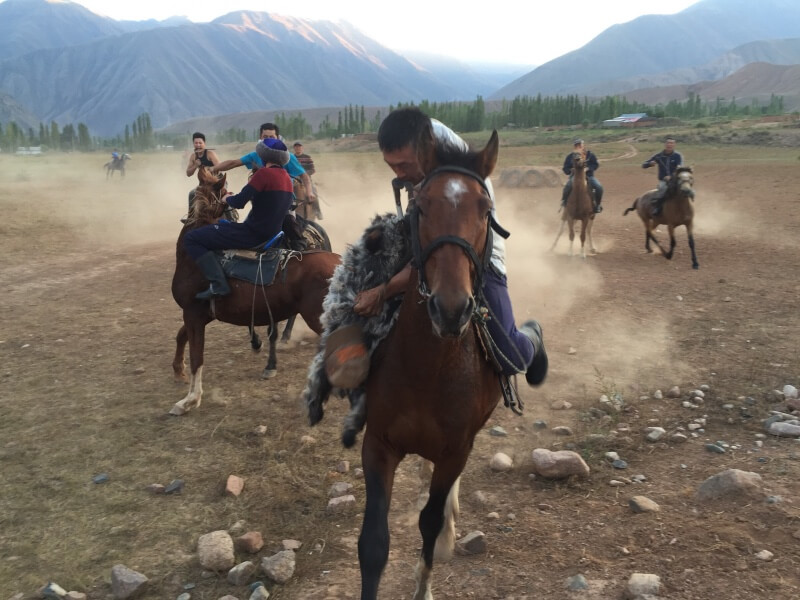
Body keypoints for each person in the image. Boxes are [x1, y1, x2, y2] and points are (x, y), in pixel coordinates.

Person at [325, 107, 548, 389]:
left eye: (404, 165)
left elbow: (435, 250)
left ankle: (531, 338)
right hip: (432, 229)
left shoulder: (449, 164)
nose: (398, 173)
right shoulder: (417, 148)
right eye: (391, 165)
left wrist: (383, 291)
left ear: (427, 151)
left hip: (474, 246)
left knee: (509, 357)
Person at [183, 138, 294, 300]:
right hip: (274, 234)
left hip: (252, 234)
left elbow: (239, 202)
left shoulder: (263, 174)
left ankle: (218, 284)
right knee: (223, 223)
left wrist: (226, 198)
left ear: (263, 156)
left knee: (192, 238)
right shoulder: (286, 177)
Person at [642, 137, 684, 216]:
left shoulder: (677, 156)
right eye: (668, 143)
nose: (669, 145)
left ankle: (690, 207)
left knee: (686, 188)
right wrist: (650, 163)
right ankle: (657, 208)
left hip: (675, 180)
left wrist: (672, 177)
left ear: (674, 145)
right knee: (662, 191)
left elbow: (680, 168)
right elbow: (643, 165)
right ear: (665, 144)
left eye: (671, 143)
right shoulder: (658, 156)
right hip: (664, 181)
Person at [561, 138, 603, 213]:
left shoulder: (590, 155)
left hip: (589, 176)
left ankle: (597, 205)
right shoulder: (570, 156)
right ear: (574, 147)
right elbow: (565, 168)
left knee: (599, 187)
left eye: (580, 145)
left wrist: (588, 168)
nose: (578, 147)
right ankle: (564, 201)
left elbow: (595, 164)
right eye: (576, 145)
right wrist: (570, 170)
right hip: (575, 177)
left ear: (583, 146)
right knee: (568, 186)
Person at [185, 132, 220, 212]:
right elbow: (188, 173)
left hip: (217, 181)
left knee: (222, 196)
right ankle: (190, 217)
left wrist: (209, 169)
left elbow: (219, 167)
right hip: (204, 184)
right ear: (193, 144)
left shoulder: (210, 154)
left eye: (200, 143)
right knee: (192, 194)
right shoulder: (193, 156)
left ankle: (231, 216)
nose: (198, 145)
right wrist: (195, 165)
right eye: (196, 143)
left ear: (204, 144)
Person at [293, 141, 322, 219]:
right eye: (296, 147)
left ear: (302, 148)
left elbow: (312, 170)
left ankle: (317, 211)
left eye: (299, 146)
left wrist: (304, 174)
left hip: (306, 181)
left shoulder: (307, 157)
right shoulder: (291, 158)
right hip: (294, 181)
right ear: (294, 148)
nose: (297, 148)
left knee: (314, 192)